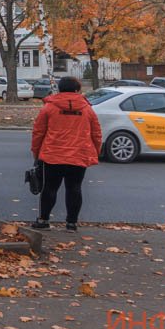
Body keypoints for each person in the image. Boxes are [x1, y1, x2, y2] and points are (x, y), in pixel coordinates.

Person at [30, 76, 101, 231]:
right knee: (74, 188)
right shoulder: (87, 109)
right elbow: (96, 133)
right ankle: (71, 223)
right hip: (78, 155)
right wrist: (95, 152)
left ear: (60, 89)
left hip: (52, 155)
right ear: (77, 90)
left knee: (49, 188)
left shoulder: (49, 108)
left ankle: (43, 220)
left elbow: (38, 133)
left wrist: (36, 153)